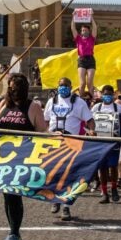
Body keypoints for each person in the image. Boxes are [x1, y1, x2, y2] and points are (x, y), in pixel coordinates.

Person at [0, 73, 48, 240]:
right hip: (2, 159)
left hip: (22, 160)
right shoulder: (3, 104)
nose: (14, 91)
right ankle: (14, 231)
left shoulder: (33, 107)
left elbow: (42, 131)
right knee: (7, 194)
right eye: (11, 87)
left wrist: (57, 135)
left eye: (17, 88)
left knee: (14, 194)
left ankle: (14, 233)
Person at [43, 76, 96, 221]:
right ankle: (54, 200)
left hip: (71, 142)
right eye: (61, 85)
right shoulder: (51, 101)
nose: (63, 88)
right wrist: (45, 133)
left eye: (66, 85)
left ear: (71, 87)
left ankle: (66, 206)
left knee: (68, 174)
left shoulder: (78, 103)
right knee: (53, 173)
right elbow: (45, 121)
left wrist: (91, 130)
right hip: (54, 141)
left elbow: (90, 120)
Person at [91, 84, 121, 203]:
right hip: (100, 142)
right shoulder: (96, 108)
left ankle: (114, 189)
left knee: (113, 166)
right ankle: (104, 192)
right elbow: (89, 122)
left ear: (113, 95)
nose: (107, 96)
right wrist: (91, 131)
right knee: (102, 168)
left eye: (109, 94)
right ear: (101, 95)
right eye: (105, 94)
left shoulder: (118, 107)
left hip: (114, 142)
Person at [71, 16, 98, 96]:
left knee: (90, 83)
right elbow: (73, 28)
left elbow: (95, 28)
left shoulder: (92, 38)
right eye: (82, 30)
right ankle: (81, 99)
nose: (84, 31)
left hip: (90, 60)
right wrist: (73, 17)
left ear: (88, 31)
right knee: (82, 83)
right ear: (81, 32)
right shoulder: (78, 38)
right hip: (82, 60)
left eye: (85, 30)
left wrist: (92, 17)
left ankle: (91, 99)